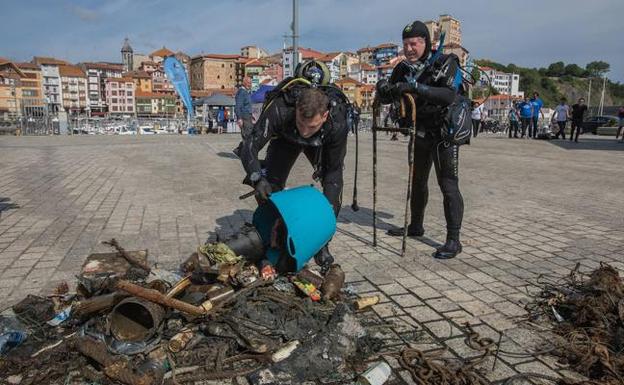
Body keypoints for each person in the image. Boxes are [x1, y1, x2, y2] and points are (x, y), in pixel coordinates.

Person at [376, 20, 466, 259]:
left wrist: (416, 88)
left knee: (448, 185)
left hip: (443, 135)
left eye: (414, 43)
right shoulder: (402, 68)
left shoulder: (445, 63)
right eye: (405, 44)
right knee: (417, 182)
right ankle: (416, 226)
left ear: (426, 42)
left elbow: (448, 95)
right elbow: (387, 95)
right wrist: (383, 89)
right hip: (419, 133)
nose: (409, 49)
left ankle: (454, 240)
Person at [239, 81, 350, 273]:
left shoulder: (337, 121)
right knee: (270, 183)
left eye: (311, 126)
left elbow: (333, 175)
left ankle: (321, 244)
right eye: (301, 123)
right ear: (296, 108)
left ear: (324, 116)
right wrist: (257, 178)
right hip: (286, 138)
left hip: (320, 143)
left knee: (332, 187)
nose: (305, 131)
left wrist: (326, 222)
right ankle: (274, 237)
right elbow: (249, 145)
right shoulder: (281, 108)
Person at [234, 77, 253, 154]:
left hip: (247, 116)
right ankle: (246, 155)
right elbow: (238, 106)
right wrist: (239, 118)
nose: (250, 84)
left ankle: (239, 151)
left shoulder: (245, 92)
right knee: (247, 136)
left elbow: (247, 105)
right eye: (248, 83)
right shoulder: (242, 92)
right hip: (244, 117)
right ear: (244, 83)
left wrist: (251, 115)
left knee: (249, 135)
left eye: (250, 83)